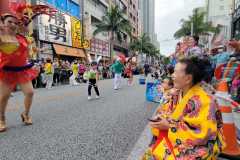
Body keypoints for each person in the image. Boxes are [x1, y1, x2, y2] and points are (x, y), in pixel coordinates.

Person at [143, 57, 225, 160]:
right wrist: (161, 118)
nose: (172, 76)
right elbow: (168, 112)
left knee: (161, 156)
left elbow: (202, 134)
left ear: (188, 79)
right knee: (151, 152)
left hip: (201, 144)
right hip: (179, 136)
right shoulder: (177, 93)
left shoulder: (205, 100)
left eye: (175, 73)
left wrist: (169, 126)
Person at [0, 1, 55, 132]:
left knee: (30, 92)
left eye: (15, 22)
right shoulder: (2, 37)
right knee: (4, 96)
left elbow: (28, 53)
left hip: (22, 70)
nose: (13, 24)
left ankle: (25, 114)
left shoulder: (23, 38)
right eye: (9, 22)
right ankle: (1, 118)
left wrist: (34, 56)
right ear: (3, 23)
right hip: (7, 70)